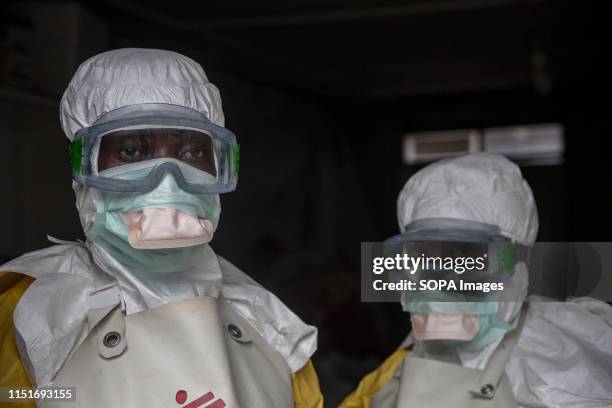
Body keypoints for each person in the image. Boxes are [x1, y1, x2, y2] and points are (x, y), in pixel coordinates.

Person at [0, 48, 323, 407]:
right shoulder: (33, 312)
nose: (167, 182)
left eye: (192, 153)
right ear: (84, 165)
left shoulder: (268, 323)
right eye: (132, 152)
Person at [341, 153, 612, 407]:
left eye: (469, 258)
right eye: (423, 257)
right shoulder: (400, 364)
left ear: (517, 267)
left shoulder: (564, 371)